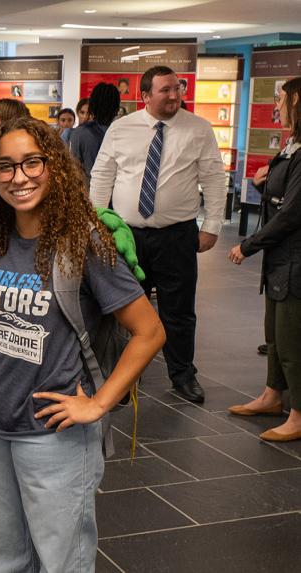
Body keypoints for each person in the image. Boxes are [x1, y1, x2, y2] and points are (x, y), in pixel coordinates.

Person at [0, 116, 164, 573]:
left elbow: (150, 331)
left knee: (63, 562)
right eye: (5, 167)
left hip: (52, 435)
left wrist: (97, 405)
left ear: (53, 166)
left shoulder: (83, 241)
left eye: (32, 162)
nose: (19, 177)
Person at [90, 65, 226, 404]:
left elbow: (213, 179)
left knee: (178, 310)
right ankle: (121, 380)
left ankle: (182, 375)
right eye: (165, 90)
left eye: (177, 88)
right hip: (126, 235)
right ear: (145, 95)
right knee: (121, 309)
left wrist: (211, 226)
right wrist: (95, 222)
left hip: (177, 236)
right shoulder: (121, 129)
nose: (174, 95)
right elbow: (102, 176)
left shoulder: (198, 129)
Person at [227, 76, 301, 442]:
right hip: (280, 261)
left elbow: (291, 213)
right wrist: (265, 181)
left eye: (280, 98)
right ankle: (273, 396)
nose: (276, 105)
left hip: (295, 262)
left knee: (291, 341)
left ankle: (298, 415)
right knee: (274, 335)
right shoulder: (292, 144)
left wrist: (248, 244)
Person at [69, 82, 121, 183]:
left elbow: (73, 169)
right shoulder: (122, 133)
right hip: (116, 193)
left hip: (87, 193)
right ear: (117, 108)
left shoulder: (79, 133)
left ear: (92, 106)